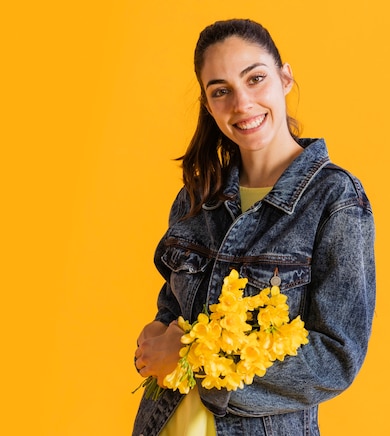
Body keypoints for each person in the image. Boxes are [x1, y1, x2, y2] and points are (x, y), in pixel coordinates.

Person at [132, 18, 375, 436]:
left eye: (255, 79)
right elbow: (174, 308)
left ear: (285, 78)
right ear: (209, 106)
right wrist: (157, 333)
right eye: (221, 91)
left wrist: (195, 358)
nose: (242, 104)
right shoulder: (197, 196)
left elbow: (336, 359)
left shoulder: (335, 200)